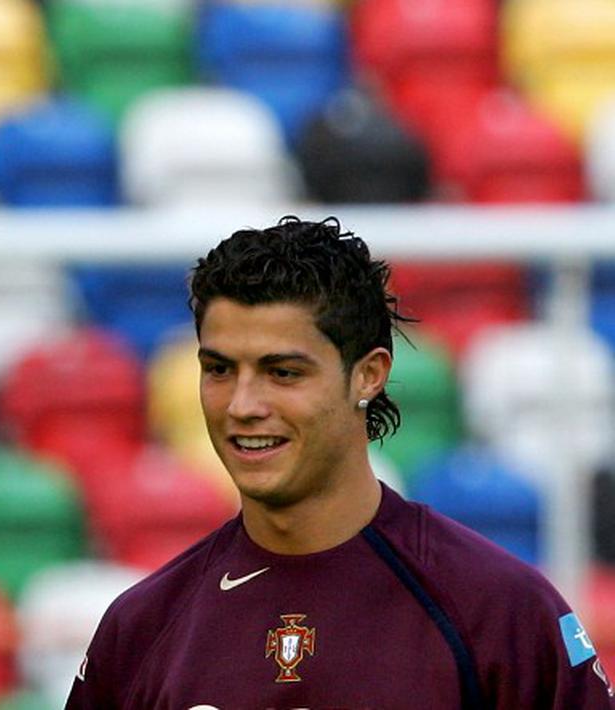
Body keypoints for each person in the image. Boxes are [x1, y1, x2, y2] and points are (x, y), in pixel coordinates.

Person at [65, 217, 615, 709]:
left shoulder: (499, 610)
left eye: (283, 372)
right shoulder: (141, 627)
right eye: (220, 370)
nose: (242, 406)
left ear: (368, 375)